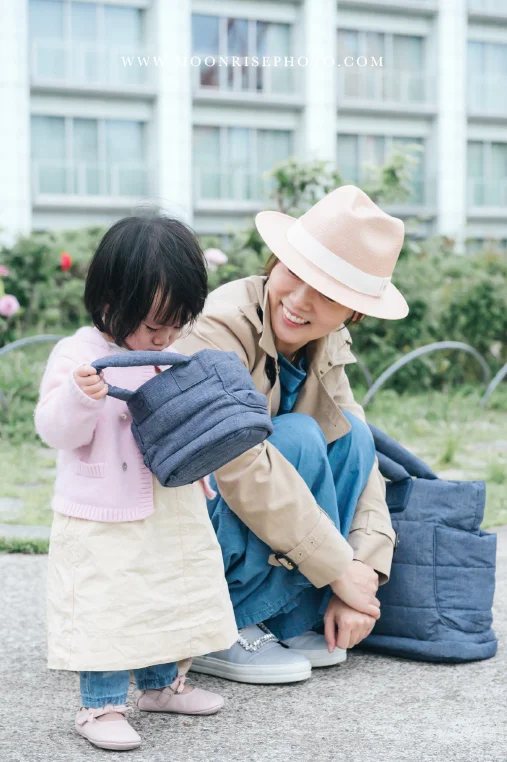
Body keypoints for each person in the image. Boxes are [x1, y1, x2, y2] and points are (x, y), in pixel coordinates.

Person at [173, 185, 408, 684]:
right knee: (299, 436)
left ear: (355, 312)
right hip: (186, 522)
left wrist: (361, 573)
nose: (300, 302)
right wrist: (337, 569)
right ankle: (223, 624)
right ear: (275, 261)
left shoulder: (326, 339)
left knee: (353, 435)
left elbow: (359, 458)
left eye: (328, 294)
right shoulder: (219, 327)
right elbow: (238, 466)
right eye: (295, 273)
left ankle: (282, 616)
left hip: (248, 516)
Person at [35, 215, 237, 751]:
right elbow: (54, 430)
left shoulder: (169, 357)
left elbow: (183, 424)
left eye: (178, 324)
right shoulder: (79, 356)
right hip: (102, 511)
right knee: (111, 605)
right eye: (154, 326)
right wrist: (79, 398)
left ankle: (161, 686)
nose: (166, 337)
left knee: (164, 594)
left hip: (168, 503)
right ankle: (100, 705)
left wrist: (200, 468)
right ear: (110, 303)